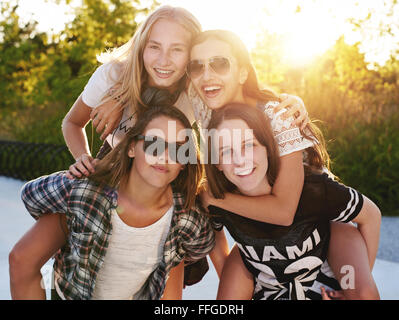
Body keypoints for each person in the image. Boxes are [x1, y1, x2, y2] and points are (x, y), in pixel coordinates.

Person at [9, 6, 307, 299]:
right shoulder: (113, 76)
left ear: (189, 56)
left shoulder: (194, 90)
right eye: (155, 47)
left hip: (171, 167)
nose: (164, 60)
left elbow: (231, 103)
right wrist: (82, 159)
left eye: (177, 50)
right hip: (112, 162)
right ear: (141, 47)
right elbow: (72, 123)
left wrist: (283, 101)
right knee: (78, 250)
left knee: (174, 239)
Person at [187, 29, 380, 299]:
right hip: (260, 233)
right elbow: (158, 73)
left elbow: (284, 211)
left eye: (219, 63)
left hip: (316, 217)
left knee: (361, 293)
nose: (206, 75)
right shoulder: (203, 100)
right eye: (196, 66)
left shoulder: (278, 115)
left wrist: (216, 199)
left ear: (243, 72)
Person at [18, 101, 214, 300]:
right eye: (153, 143)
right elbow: (32, 196)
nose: (164, 156)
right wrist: (64, 227)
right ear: (131, 148)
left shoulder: (187, 217)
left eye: (178, 149)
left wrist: (173, 256)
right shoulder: (86, 190)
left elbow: (200, 245)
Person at [204, 103, 381, 300]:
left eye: (249, 145)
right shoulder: (216, 197)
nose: (240, 160)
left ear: (268, 148)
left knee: (365, 296)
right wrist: (230, 275)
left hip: (323, 272)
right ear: (217, 163)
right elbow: (215, 233)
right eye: (226, 151)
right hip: (272, 282)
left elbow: (371, 215)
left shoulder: (309, 188)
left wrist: (357, 285)